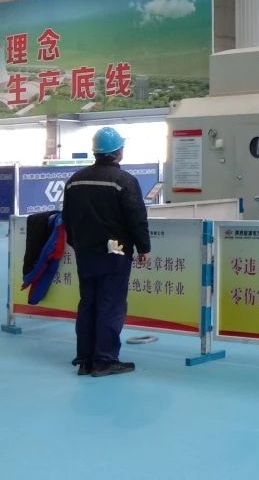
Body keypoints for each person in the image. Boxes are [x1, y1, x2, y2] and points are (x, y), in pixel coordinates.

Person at [63, 127, 151, 377]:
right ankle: (104, 360)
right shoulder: (124, 181)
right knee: (110, 305)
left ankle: (85, 360)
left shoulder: (75, 180)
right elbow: (136, 218)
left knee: (88, 304)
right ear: (118, 151)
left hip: (85, 254)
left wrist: (77, 243)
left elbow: (67, 218)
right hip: (115, 254)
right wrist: (144, 247)